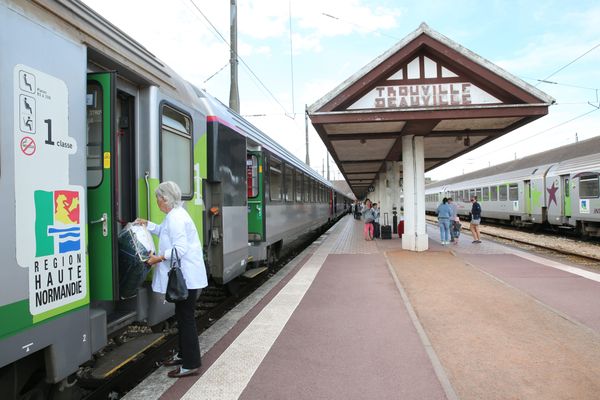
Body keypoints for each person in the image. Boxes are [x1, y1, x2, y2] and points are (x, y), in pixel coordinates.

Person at [136, 181, 208, 378]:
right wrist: (147, 224)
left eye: (158, 197)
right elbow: (163, 231)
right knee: (183, 316)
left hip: (187, 277)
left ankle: (191, 363)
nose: (157, 201)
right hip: (187, 277)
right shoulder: (174, 215)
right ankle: (184, 355)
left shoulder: (176, 218)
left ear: (165, 199)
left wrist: (157, 259)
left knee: (186, 319)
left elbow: (180, 249)